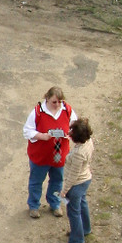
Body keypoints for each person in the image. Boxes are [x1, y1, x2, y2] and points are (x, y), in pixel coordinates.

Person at [23, 86, 79, 219]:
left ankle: (55, 203)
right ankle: (34, 205)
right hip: (40, 157)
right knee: (36, 182)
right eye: (54, 102)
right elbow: (27, 131)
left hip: (59, 157)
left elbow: (75, 127)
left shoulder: (67, 110)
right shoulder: (37, 112)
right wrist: (42, 136)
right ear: (47, 99)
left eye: (60, 102)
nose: (57, 105)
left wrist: (69, 134)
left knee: (57, 181)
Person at [59, 118, 95, 243]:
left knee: (73, 212)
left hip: (77, 183)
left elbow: (73, 175)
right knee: (82, 204)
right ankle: (85, 229)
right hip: (86, 179)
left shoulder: (79, 154)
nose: (70, 132)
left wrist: (64, 191)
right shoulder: (88, 142)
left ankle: (76, 240)